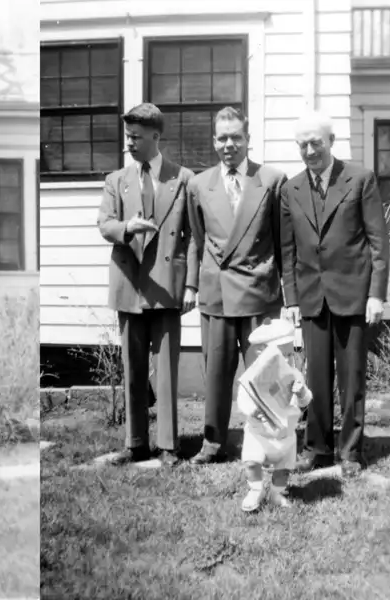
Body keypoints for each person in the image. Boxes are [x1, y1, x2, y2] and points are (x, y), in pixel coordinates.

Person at [280, 111, 390, 474]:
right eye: (302, 145)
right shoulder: (290, 189)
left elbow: (378, 241)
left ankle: (351, 451)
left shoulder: (360, 179)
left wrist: (376, 294)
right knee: (315, 379)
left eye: (316, 143)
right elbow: (288, 251)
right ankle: (319, 448)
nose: (310, 151)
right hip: (312, 295)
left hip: (353, 293)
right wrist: (291, 299)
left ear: (331, 142)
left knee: (352, 376)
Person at [96, 102, 197, 466]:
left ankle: (169, 446)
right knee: (133, 367)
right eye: (127, 136)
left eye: (136, 137)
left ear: (156, 136)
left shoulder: (183, 178)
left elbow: (193, 238)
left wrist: (191, 286)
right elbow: (104, 223)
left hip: (167, 284)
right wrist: (127, 229)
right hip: (129, 284)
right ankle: (135, 442)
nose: (129, 143)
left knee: (167, 370)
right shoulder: (116, 180)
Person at [186, 106, 288, 465]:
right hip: (217, 294)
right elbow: (198, 241)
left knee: (265, 375)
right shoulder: (199, 184)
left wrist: (287, 296)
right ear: (214, 141)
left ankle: (271, 442)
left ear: (248, 139)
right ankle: (213, 443)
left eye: (236, 137)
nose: (228, 144)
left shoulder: (272, 180)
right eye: (222, 138)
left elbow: (281, 240)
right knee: (216, 374)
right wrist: (193, 287)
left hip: (260, 292)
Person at [236, 318, 311, 512]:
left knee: (283, 468)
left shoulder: (294, 375)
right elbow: (243, 398)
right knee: (252, 462)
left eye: (289, 354)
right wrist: (252, 410)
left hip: (285, 434)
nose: (287, 360)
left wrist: (301, 392)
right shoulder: (254, 376)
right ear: (263, 353)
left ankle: (277, 492)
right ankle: (255, 489)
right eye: (281, 356)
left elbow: (305, 401)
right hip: (259, 433)